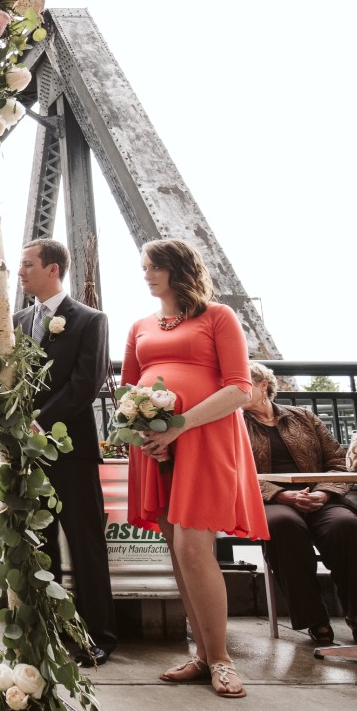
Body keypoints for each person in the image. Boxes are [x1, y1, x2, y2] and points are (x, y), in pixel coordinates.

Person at [122, 238, 268, 699]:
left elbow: (241, 389)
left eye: (153, 267)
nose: (146, 274)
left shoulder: (218, 317)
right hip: (157, 449)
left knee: (192, 547)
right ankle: (203, 656)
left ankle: (223, 660)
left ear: (176, 268)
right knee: (177, 549)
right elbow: (127, 388)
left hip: (204, 439)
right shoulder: (141, 325)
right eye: (144, 267)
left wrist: (178, 425)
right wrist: (149, 435)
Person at [14, 239, 117, 665]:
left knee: (85, 542)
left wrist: (38, 422)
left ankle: (99, 635)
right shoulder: (19, 320)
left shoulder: (89, 320)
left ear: (53, 269)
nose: (20, 272)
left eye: (27, 264)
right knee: (41, 545)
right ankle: (50, 631)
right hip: (28, 454)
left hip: (71, 450)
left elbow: (86, 383)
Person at [242, 362, 357, 644]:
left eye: (242, 384)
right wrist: (280, 495)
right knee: (284, 525)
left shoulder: (303, 416)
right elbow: (233, 471)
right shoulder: (233, 425)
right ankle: (314, 618)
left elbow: (337, 463)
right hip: (269, 501)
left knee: (346, 525)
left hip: (319, 497)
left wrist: (324, 493)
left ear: (262, 386)